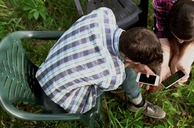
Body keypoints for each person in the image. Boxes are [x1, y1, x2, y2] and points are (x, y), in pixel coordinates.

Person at [35, 7, 166, 119]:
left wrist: (133, 64)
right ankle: (137, 103)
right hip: (60, 94)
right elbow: (114, 74)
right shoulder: (112, 75)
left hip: (47, 68)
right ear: (130, 59)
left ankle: (136, 100)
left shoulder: (104, 14)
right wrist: (128, 67)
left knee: (124, 71)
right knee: (126, 74)